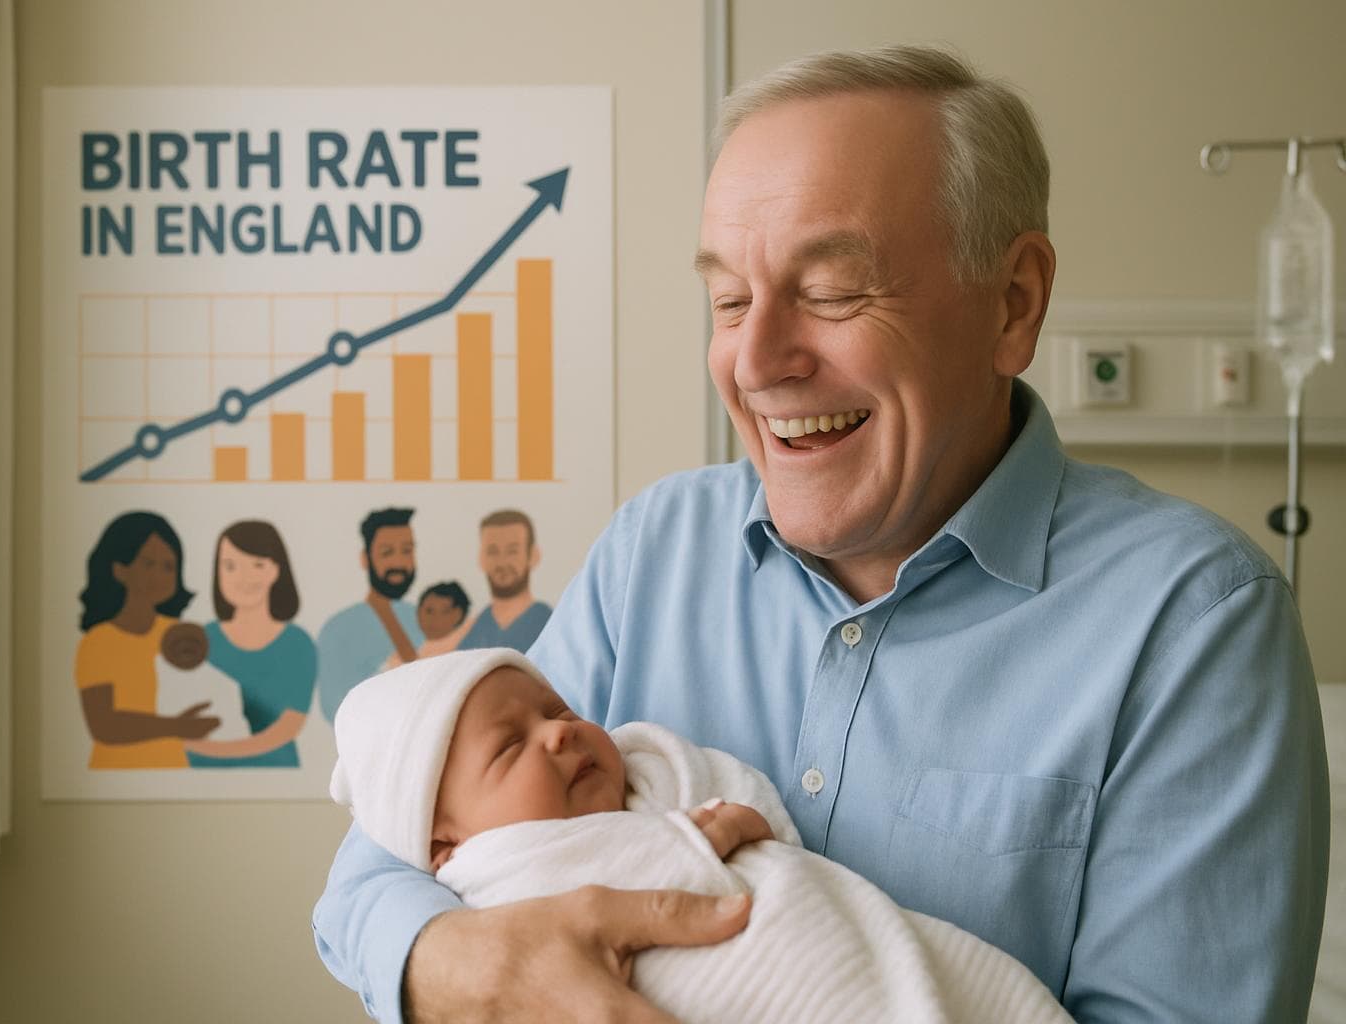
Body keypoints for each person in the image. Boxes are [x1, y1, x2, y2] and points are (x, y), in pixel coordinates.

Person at [314, 46, 1331, 1023]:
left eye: (833, 292)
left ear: (1013, 305)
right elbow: (386, 860)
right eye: (728, 301)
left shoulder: (1193, 624)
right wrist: (459, 965)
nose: (756, 361)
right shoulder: (654, 554)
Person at [331, 648, 1071, 1024]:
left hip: (833, 948)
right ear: (444, 846)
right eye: (508, 746)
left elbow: (746, 814)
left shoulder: (647, 775)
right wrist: (453, 962)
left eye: (557, 710)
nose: (558, 733)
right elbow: (358, 888)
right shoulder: (491, 875)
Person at [74, 510, 219, 769]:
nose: (159, 576)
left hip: (175, 772)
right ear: (119, 569)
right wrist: (176, 727)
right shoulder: (99, 642)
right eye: (148, 564)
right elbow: (104, 726)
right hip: (116, 773)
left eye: (168, 567)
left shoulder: (178, 636)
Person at [183, 520, 317, 768]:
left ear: (276, 570)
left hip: (276, 773)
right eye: (230, 566)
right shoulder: (201, 639)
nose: (243, 578)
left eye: (257, 565)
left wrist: (214, 749)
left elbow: (289, 727)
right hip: (199, 774)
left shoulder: (297, 644)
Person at [315, 507, 424, 722]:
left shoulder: (423, 619)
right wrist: (386, 673)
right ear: (365, 559)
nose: (399, 562)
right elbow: (335, 707)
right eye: (387, 552)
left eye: (407, 551)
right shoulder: (339, 629)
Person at [457, 509, 551, 653]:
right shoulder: (472, 632)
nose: (502, 562)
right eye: (493, 552)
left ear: (533, 555)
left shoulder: (549, 625)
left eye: (512, 551)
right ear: (481, 559)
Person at [383, 582, 474, 670]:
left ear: (458, 614)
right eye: (429, 611)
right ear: (418, 611)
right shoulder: (400, 656)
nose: (435, 619)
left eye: (444, 612)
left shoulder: (466, 647)